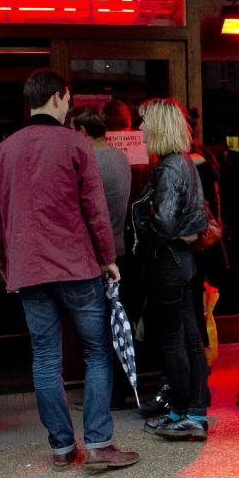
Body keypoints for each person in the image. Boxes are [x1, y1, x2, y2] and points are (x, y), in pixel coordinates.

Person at [0, 69, 138, 470]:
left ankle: (60, 448)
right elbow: (94, 210)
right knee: (96, 353)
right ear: (57, 97)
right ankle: (98, 444)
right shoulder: (75, 144)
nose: (70, 103)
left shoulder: (4, 150)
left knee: (44, 359)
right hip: (76, 265)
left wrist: (8, 267)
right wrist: (108, 258)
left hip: (29, 270)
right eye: (68, 98)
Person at [134, 98, 211, 439]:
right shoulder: (187, 163)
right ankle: (194, 411)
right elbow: (193, 220)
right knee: (191, 341)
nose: (139, 130)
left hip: (167, 262)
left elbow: (163, 224)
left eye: (144, 123)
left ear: (158, 127)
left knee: (174, 343)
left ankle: (180, 412)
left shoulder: (168, 168)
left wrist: (139, 224)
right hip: (186, 260)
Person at [69, 106, 134, 409]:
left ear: (81, 132)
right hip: (120, 248)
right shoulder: (121, 158)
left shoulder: (88, 163)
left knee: (99, 332)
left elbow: (86, 212)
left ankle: (106, 395)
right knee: (118, 325)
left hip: (97, 257)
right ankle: (118, 390)